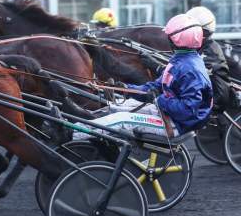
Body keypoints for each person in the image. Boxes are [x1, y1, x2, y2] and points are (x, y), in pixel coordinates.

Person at [76, 14, 213, 139]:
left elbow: (187, 110)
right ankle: (76, 123)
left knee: (121, 119)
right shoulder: (180, 60)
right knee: (115, 107)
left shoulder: (190, 69)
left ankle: (73, 134)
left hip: (177, 124)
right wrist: (125, 89)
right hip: (168, 114)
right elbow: (154, 87)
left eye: (169, 37)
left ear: (176, 40)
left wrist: (158, 99)